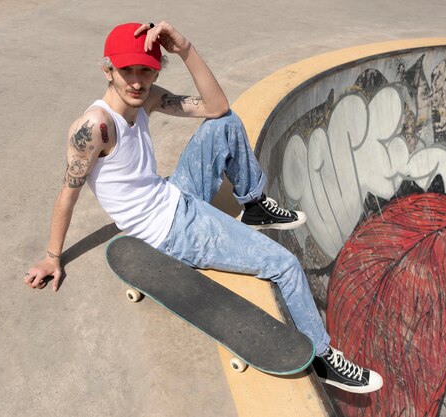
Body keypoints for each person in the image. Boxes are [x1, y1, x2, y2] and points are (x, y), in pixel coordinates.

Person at [23, 21, 383, 394]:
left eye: (145, 70)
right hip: (173, 230)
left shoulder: (145, 97)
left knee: (224, 123)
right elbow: (68, 193)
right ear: (107, 69)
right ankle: (323, 358)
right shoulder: (95, 128)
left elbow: (216, 106)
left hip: (174, 192)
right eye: (126, 70)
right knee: (285, 265)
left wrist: (186, 48)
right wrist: (52, 256)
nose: (136, 81)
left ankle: (254, 204)